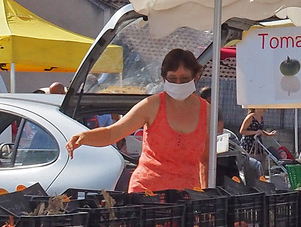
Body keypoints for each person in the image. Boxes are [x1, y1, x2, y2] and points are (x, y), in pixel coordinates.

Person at [66, 48, 208, 192]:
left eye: (184, 79)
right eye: (172, 79)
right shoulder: (151, 105)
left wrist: (207, 195)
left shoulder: (206, 111)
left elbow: (206, 160)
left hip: (188, 197)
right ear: (164, 78)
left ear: (195, 77)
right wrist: (83, 137)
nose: (178, 83)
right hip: (147, 195)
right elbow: (112, 133)